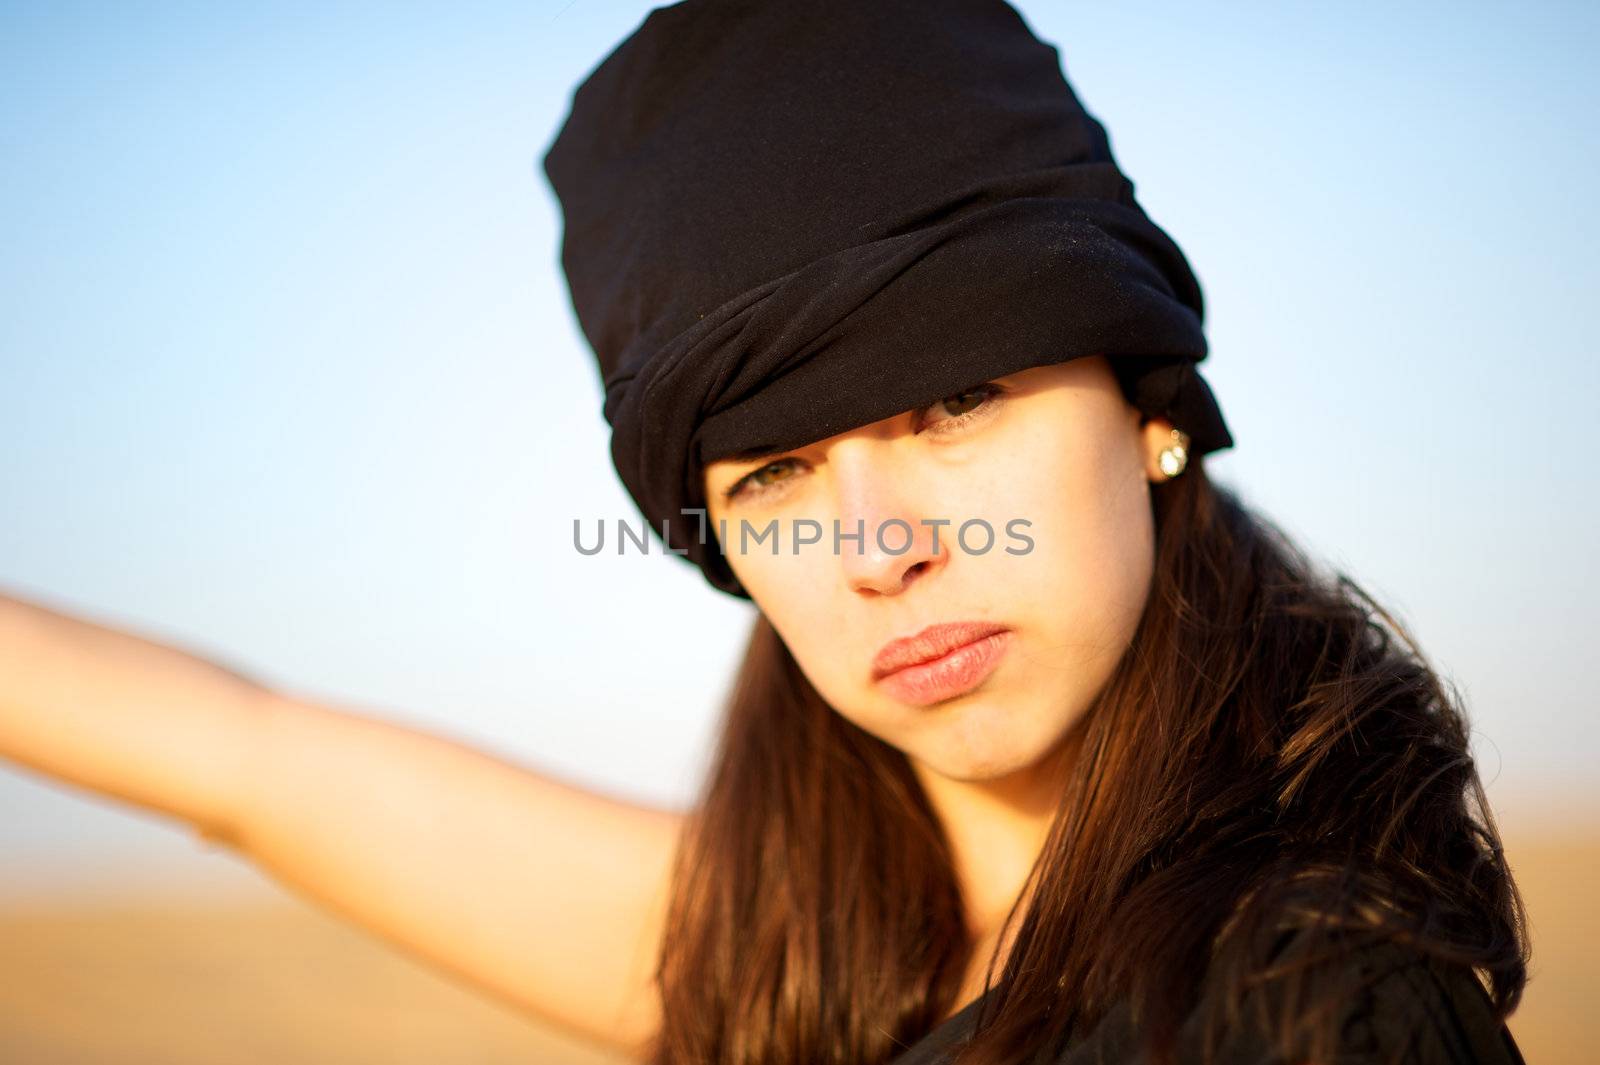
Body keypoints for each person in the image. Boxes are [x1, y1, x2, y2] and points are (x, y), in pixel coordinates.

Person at [0, 3, 1529, 1065]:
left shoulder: (1315, 1005)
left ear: (1150, 407)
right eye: (775, 474)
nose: (876, 546)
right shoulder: (784, 959)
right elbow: (237, 756)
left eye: (956, 400)